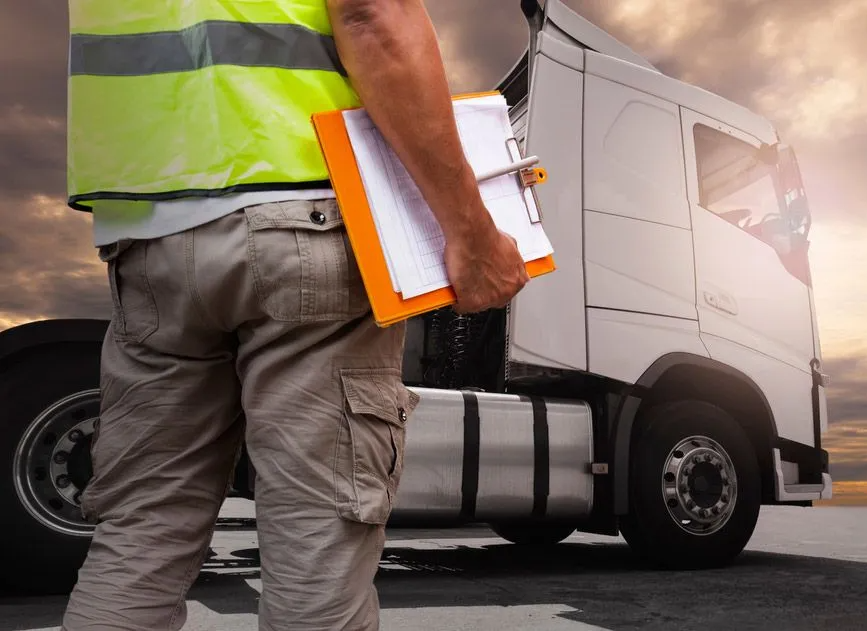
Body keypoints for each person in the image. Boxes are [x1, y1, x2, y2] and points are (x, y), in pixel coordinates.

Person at [60, 1, 529, 629]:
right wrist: (470, 231)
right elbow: (371, 15)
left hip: (150, 234)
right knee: (318, 542)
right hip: (300, 207)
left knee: (141, 536)